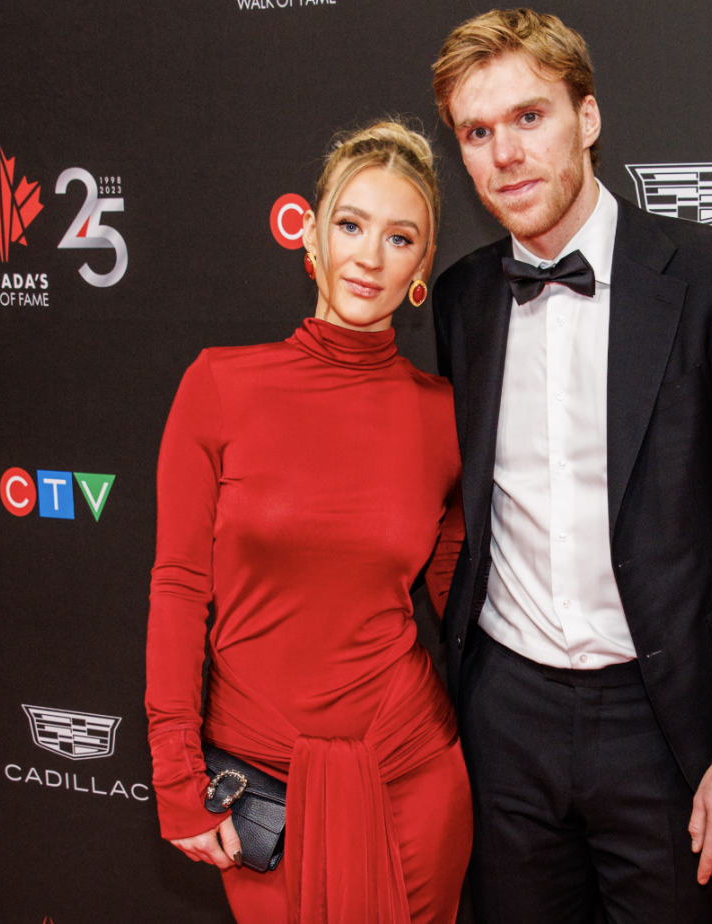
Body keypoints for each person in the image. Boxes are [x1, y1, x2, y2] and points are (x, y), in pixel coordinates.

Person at [430, 10, 712, 924]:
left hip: (663, 725)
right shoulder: (462, 301)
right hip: (503, 717)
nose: (506, 154)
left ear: (589, 118)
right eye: (477, 133)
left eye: (530, 118)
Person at [145, 120, 472, 924]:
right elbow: (180, 590)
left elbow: (469, 596)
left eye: (401, 238)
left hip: (412, 772)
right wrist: (176, 777)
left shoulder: (447, 419)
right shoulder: (219, 385)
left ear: (421, 269)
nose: (371, 256)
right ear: (312, 239)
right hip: (265, 789)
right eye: (352, 225)